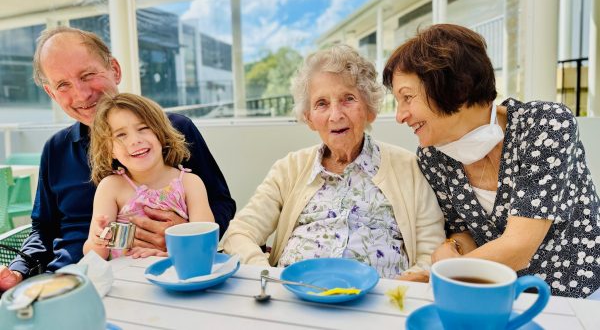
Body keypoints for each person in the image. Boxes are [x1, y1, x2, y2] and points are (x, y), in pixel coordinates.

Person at [0, 27, 235, 291]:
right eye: (63, 85)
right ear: (51, 93)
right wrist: (18, 270)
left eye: (88, 75)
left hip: (165, 273)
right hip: (69, 281)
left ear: (115, 69)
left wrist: (184, 234)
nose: (80, 94)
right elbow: (42, 228)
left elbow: (221, 202)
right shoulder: (56, 149)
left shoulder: (176, 131)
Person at [383, 23, 600, 298]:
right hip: (495, 297)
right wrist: (454, 246)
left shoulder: (545, 125)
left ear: (455, 89)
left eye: (407, 98)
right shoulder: (432, 156)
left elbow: (519, 247)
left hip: (578, 297)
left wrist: (437, 277)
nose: (400, 115)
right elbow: (464, 230)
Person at [222, 45, 445, 280]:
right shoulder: (288, 169)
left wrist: (399, 290)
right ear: (308, 118)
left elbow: (431, 252)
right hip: (294, 298)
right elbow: (239, 234)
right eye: (322, 104)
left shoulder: (409, 167)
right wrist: (269, 276)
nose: (335, 115)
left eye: (348, 99)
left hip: (377, 304)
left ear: (370, 109)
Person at [83, 93, 214, 259]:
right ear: (110, 150)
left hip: (176, 273)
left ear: (161, 133)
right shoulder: (111, 187)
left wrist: (169, 254)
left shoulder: (190, 183)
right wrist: (98, 240)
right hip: (127, 279)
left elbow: (206, 243)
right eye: (121, 135)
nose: (135, 140)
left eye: (143, 128)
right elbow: (95, 256)